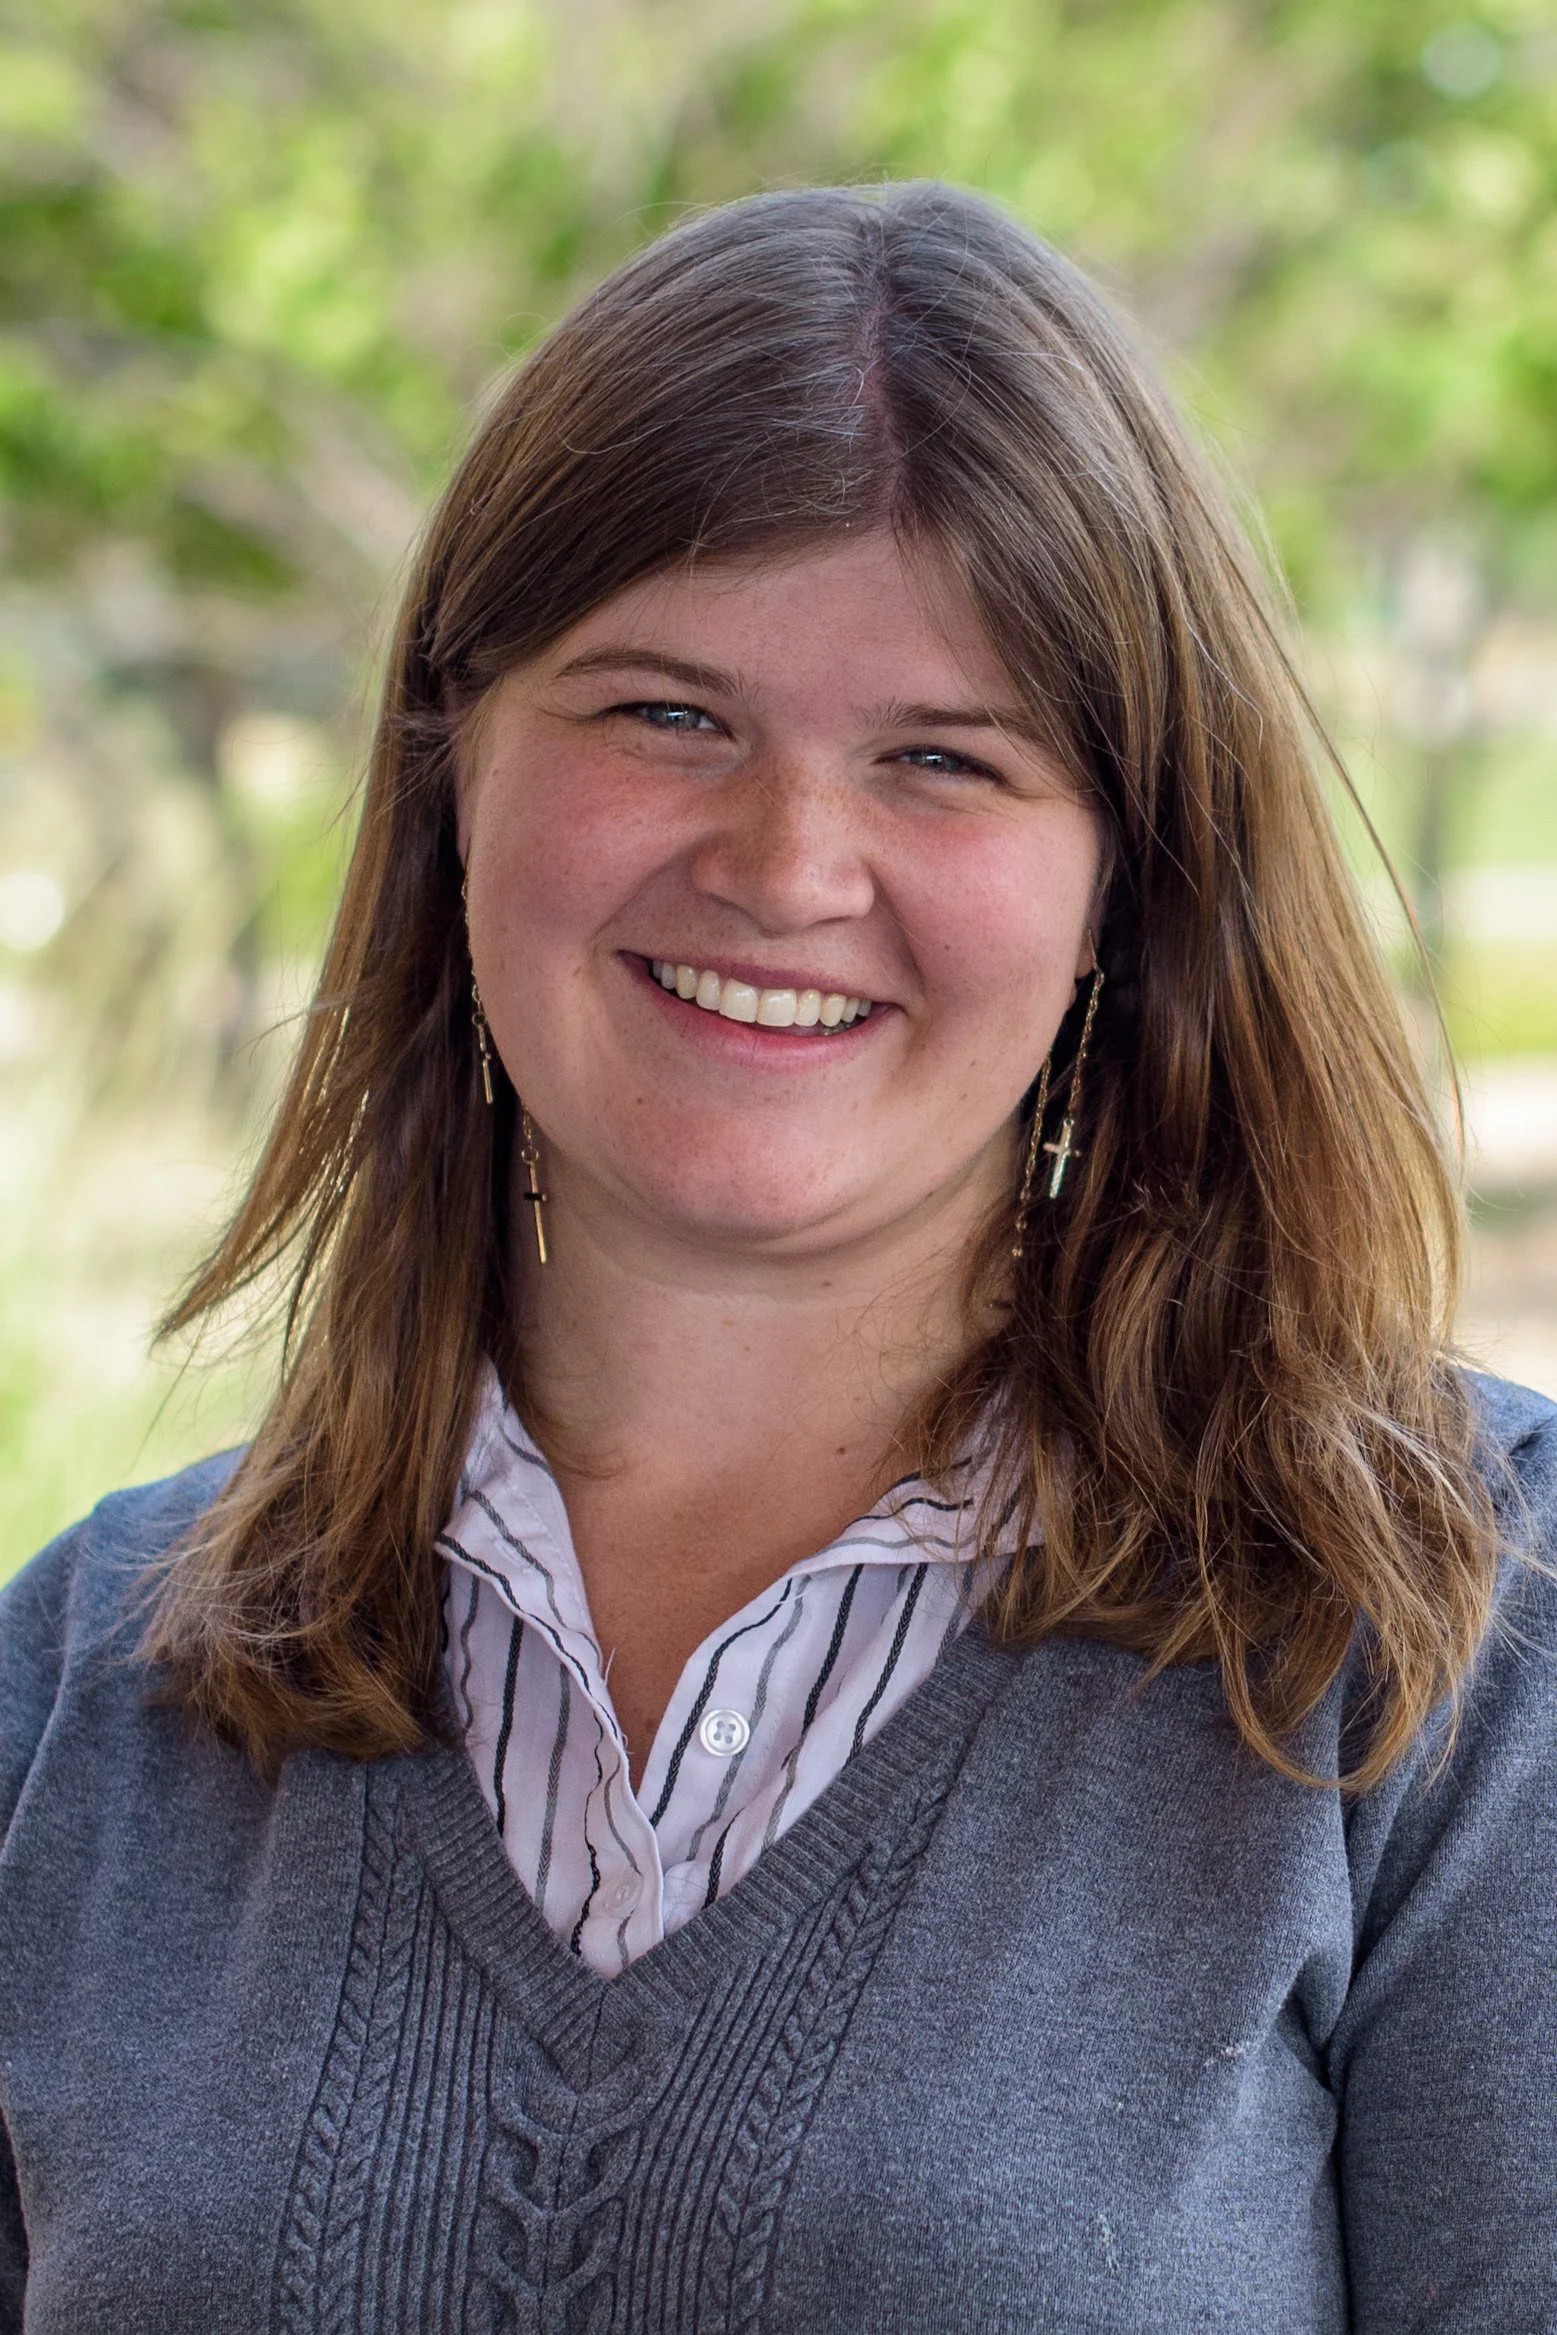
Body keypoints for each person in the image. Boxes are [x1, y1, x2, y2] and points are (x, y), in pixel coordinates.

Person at [0, 181, 1553, 2334]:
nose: (784, 865)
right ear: (454, 774)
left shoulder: (1459, 1635)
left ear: (1133, 881)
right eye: (662, 714)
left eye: (941, 760)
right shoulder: (76, 1695)